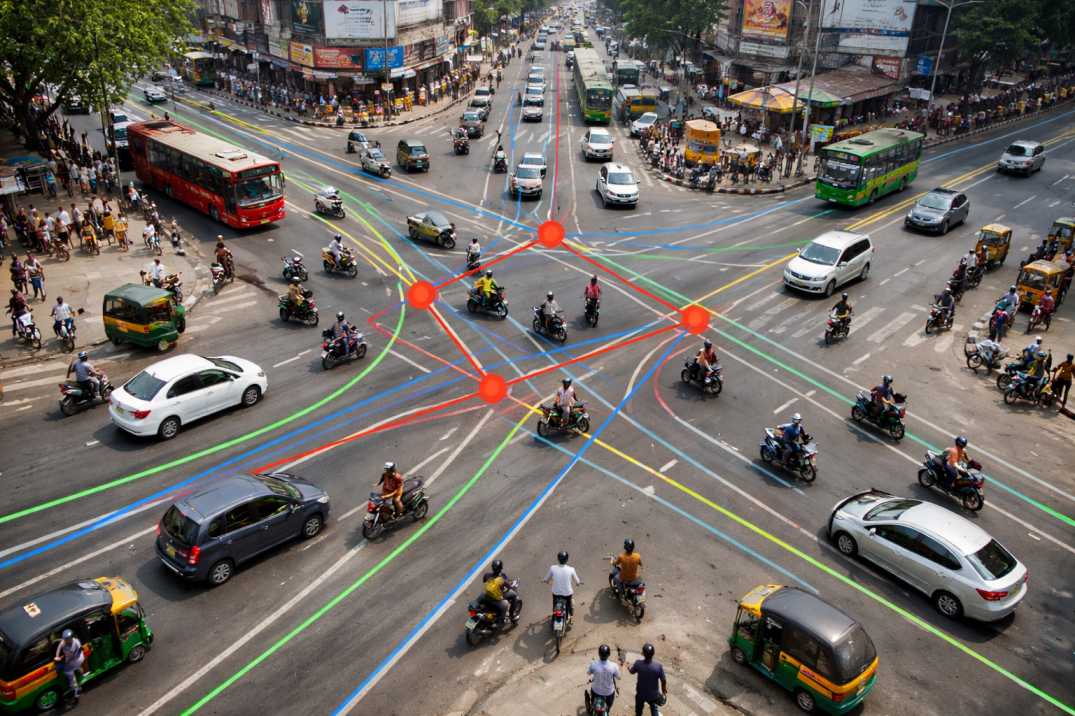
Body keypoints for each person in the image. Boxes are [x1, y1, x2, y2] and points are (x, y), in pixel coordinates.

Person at [629, 643, 668, 716]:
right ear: (653, 654)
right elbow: (663, 680)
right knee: (654, 708)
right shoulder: (658, 667)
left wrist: (628, 667)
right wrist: (663, 691)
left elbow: (631, 672)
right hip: (653, 695)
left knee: (638, 710)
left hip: (641, 693)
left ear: (643, 653)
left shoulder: (638, 664)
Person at [542, 551, 582, 620]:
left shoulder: (552, 568)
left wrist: (545, 580)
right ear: (567, 559)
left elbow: (546, 578)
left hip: (556, 593)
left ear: (558, 559)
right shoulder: (571, 569)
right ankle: (570, 612)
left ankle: (555, 611)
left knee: (555, 604)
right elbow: (577, 581)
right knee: (569, 604)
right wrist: (578, 583)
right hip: (567, 593)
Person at [587, 645, 620, 712]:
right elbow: (619, 677)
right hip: (609, 694)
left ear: (599, 654)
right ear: (609, 654)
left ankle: (593, 709)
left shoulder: (593, 664)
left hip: (596, 692)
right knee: (608, 709)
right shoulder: (614, 666)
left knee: (593, 705)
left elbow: (588, 673)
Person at [54, 629, 84, 698]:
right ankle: (79, 673)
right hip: (70, 658)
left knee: (68, 672)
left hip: (75, 659)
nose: (66, 640)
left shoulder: (74, 644)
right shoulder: (65, 641)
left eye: (67, 639)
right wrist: (57, 656)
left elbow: (70, 657)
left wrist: (60, 660)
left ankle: (74, 689)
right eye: (65, 639)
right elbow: (59, 646)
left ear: (71, 637)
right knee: (76, 669)